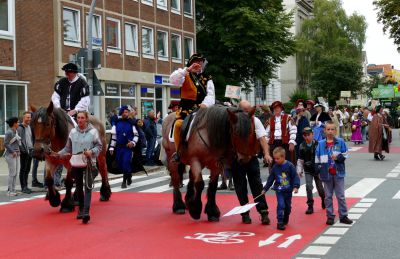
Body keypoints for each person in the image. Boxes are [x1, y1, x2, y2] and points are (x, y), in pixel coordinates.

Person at [56, 111, 102, 224]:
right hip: (76, 163)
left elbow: (99, 146)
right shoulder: (72, 132)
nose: (80, 120)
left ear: (86, 119)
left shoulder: (93, 132)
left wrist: (91, 152)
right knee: (79, 188)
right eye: (78, 118)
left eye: (82, 118)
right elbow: (67, 148)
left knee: (88, 187)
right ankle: (81, 209)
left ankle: (86, 212)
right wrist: (56, 153)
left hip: (88, 163)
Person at [231, 100, 272, 225]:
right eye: (246, 111)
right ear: (240, 111)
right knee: (240, 187)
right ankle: (245, 214)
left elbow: (262, 138)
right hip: (237, 160)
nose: (249, 113)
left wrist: (266, 153)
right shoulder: (233, 121)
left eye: (250, 110)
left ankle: (263, 212)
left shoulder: (255, 120)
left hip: (252, 158)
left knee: (257, 185)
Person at [169, 53, 215, 161]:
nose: (199, 63)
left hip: (202, 109)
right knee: (179, 125)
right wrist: (187, 70)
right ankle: (179, 152)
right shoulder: (184, 75)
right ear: (191, 63)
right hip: (186, 110)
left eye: (201, 61)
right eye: (196, 61)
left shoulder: (207, 77)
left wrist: (205, 104)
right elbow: (172, 80)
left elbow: (211, 94)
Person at [315, 121, 353, 225]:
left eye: (332, 129)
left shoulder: (340, 142)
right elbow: (317, 159)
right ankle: (330, 216)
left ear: (335, 130)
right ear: (324, 131)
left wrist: (338, 157)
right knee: (328, 196)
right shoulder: (321, 144)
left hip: (338, 172)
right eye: (328, 129)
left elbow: (345, 154)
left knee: (340, 195)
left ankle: (343, 216)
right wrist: (318, 170)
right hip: (326, 173)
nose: (330, 131)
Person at [262, 147, 300, 230]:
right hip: (279, 190)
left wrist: (296, 186)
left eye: (277, 158)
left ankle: (286, 216)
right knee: (281, 204)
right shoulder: (275, 167)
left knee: (288, 207)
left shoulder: (290, 166)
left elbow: (295, 177)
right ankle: (279, 221)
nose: (275, 160)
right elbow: (270, 179)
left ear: (283, 157)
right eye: (274, 158)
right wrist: (265, 189)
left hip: (288, 190)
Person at [296, 127, 325, 214]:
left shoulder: (318, 144)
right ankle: (310, 206)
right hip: (308, 169)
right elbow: (300, 159)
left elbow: (323, 157)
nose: (307, 137)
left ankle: (323, 199)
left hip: (318, 169)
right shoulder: (301, 146)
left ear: (313, 134)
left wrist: (323, 170)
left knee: (320, 189)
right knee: (308, 187)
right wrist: (299, 170)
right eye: (305, 135)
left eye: (309, 135)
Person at [109, 106, 139, 188]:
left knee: (126, 162)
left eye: (127, 112)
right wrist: (112, 147)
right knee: (121, 164)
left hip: (127, 148)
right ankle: (129, 175)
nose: (125, 114)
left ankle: (124, 181)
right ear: (121, 113)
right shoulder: (117, 124)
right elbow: (114, 137)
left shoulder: (132, 123)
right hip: (119, 148)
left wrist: (132, 142)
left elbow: (136, 135)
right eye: (124, 112)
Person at [17, 112, 34, 194]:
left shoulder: (29, 127)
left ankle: (26, 186)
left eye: (30, 117)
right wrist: (23, 150)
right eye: (27, 117)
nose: (29, 119)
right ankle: (23, 187)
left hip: (30, 151)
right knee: (23, 169)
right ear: (23, 118)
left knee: (27, 169)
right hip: (24, 152)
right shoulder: (20, 128)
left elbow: (30, 139)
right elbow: (19, 140)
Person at [4, 117, 21, 196]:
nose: (19, 123)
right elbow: (6, 144)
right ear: (14, 123)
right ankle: (9, 191)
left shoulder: (16, 131)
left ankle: (13, 190)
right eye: (18, 122)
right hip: (10, 155)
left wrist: (18, 151)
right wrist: (13, 151)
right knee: (12, 173)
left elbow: (16, 143)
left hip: (16, 154)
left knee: (16, 173)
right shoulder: (9, 132)